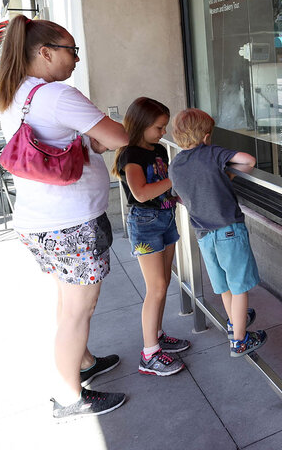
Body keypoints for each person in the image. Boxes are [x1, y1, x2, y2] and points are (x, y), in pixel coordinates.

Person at [0, 14, 129, 418]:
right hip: (71, 221)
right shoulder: (57, 95)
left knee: (67, 301)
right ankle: (70, 397)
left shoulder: (15, 93)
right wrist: (103, 130)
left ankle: (83, 363)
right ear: (45, 52)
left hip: (39, 220)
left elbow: (54, 139)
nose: (76, 59)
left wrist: (88, 137)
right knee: (78, 309)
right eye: (71, 50)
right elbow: (119, 136)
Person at [168, 108, 267, 357]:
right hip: (229, 230)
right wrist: (227, 167)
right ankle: (240, 340)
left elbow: (182, 194)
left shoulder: (177, 163)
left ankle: (234, 325)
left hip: (203, 234)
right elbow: (248, 160)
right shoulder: (212, 153)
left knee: (223, 286)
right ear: (206, 136)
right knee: (239, 287)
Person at [112, 97, 189, 377]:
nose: (163, 133)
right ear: (142, 125)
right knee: (155, 288)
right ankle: (149, 354)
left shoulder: (157, 149)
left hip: (165, 218)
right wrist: (175, 177)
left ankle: (157, 334)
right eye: (159, 127)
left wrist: (178, 192)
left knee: (164, 282)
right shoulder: (130, 155)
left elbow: (164, 188)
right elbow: (141, 193)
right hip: (145, 223)